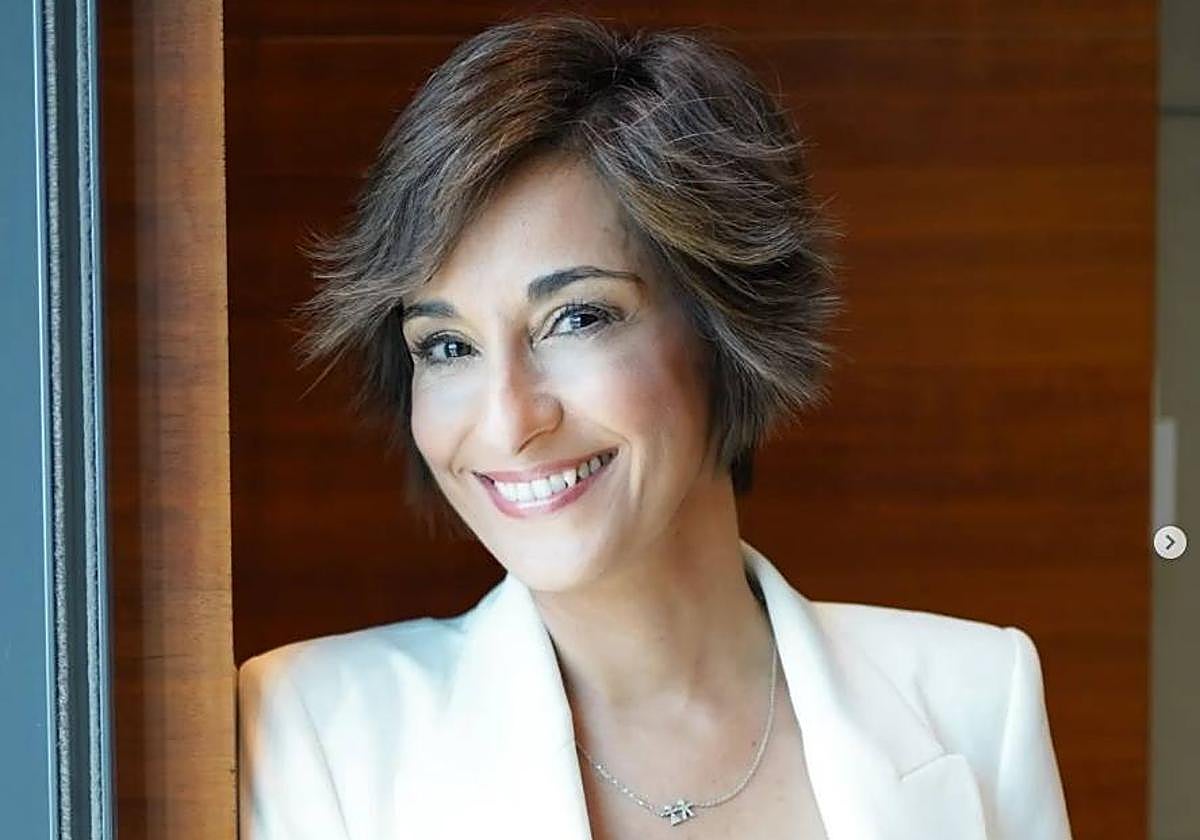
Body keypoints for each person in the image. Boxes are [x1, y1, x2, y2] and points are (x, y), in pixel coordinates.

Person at [237, 13, 1073, 840]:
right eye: (448, 346)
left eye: (577, 318)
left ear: (725, 326)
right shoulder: (319, 732)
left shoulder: (973, 699)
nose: (509, 419)